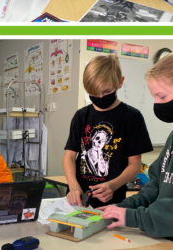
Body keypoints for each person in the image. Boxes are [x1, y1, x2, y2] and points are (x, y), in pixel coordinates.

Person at [98, 50, 173, 250]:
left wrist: (133, 217)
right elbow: (155, 188)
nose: (157, 104)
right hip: (168, 239)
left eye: (162, 96)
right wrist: (121, 208)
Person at [63, 54, 153, 208]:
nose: (100, 97)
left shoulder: (131, 117)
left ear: (120, 82)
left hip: (113, 199)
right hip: (78, 198)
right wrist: (73, 185)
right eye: (93, 93)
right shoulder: (81, 116)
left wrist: (112, 185)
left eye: (106, 91)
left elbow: (135, 164)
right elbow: (69, 157)